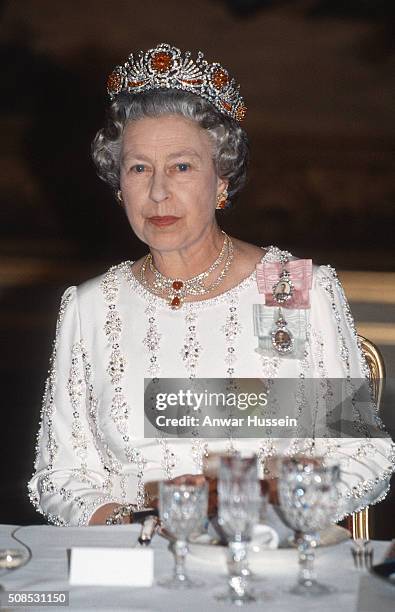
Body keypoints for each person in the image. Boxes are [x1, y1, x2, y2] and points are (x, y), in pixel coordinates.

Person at [28, 43, 394, 527]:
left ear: (221, 179)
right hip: (131, 574)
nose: (159, 192)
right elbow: (59, 476)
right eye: (139, 168)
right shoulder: (91, 306)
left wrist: (254, 516)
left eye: (182, 166)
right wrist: (138, 528)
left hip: (261, 564)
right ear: (119, 187)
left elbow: (360, 456)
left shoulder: (282, 288)